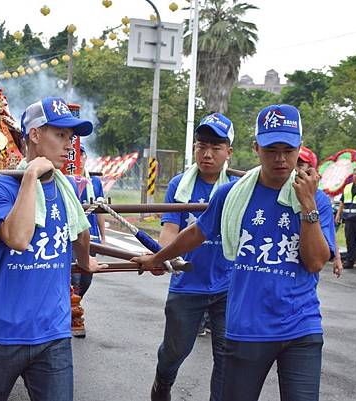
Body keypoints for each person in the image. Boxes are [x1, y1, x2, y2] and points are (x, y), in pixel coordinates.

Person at [134, 104, 335, 401]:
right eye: (271, 149)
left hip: (300, 326)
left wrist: (308, 207)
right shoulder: (232, 194)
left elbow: (316, 261)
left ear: (299, 149)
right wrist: (157, 258)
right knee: (181, 353)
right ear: (256, 147)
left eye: (288, 150)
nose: (280, 158)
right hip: (248, 326)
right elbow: (198, 233)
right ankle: (163, 381)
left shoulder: (317, 199)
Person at [0, 96, 104, 401]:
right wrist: (30, 176)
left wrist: (85, 262)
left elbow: (79, 231)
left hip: (53, 334)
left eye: (71, 138)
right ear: (34, 135)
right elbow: (17, 238)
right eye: (60, 135)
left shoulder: (65, 189)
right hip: (0, 333)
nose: (69, 145)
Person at [149, 113, 237, 401]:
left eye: (216, 147)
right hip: (188, 283)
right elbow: (170, 229)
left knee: (227, 357)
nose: (207, 154)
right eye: (201, 146)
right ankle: (163, 383)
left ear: (229, 152)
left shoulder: (239, 188)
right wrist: (164, 257)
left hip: (228, 287)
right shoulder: (180, 185)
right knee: (174, 352)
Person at [297, 146, 343, 278]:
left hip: (303, 277)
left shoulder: (320, 199)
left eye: (301, 164)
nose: (296, 168)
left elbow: (328, 230)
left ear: (312, 169)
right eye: (294, 162)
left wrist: (337, 258)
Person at [70, 144, 106, 298]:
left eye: (81, 154)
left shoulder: (95, 182)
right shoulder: (65, 179)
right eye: (75, 155)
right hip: (71, 236)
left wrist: (103, 236)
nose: (79, 158)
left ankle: (76, 304)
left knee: (86, 277)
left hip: (91, 236)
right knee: (74, 277)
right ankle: (73, 308)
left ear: (85, 157)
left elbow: (100, 210)